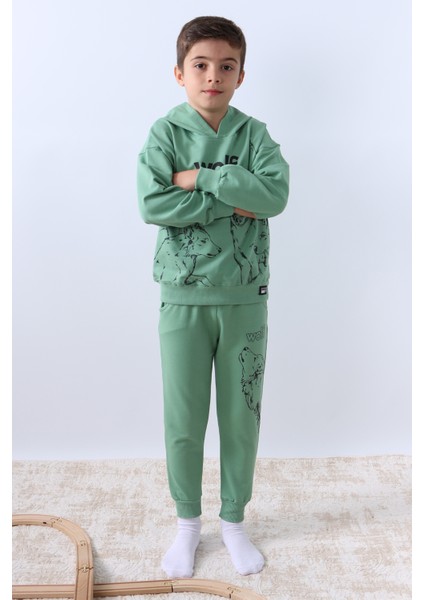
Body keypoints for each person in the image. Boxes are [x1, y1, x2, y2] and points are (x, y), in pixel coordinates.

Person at [137, 15, 289, 579]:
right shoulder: (165, 134)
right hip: (182, 298)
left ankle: (233, 522)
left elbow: (275, 196)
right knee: (184, 417)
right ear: (180, 73)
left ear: (241, 75)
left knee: (241, 415)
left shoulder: (255, 135)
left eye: (226, 66)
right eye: (200, 65)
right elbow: (153, 204)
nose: (213, 76)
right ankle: (186, 525)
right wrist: (236, 194)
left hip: (246, 296)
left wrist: (200, 179)